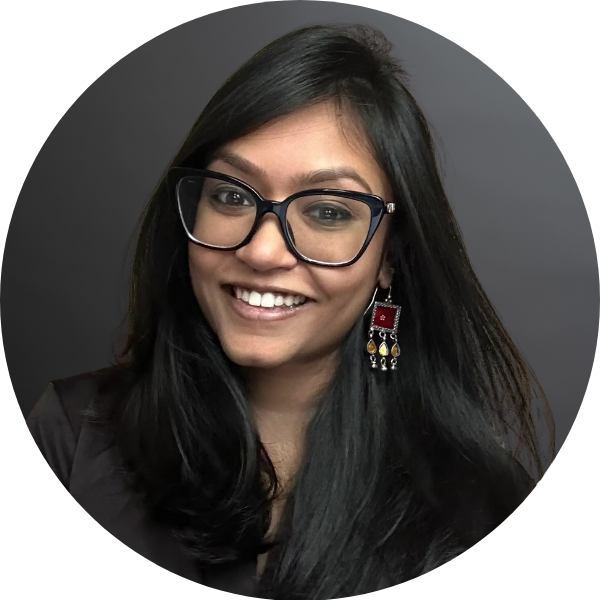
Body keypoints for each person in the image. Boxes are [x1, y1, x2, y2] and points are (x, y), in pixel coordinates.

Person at [26, 23, 555, 598]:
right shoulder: (74, 436)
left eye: (327, 211)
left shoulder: (479, 504)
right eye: (231, 196)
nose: (261, 251)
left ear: (389, 256)